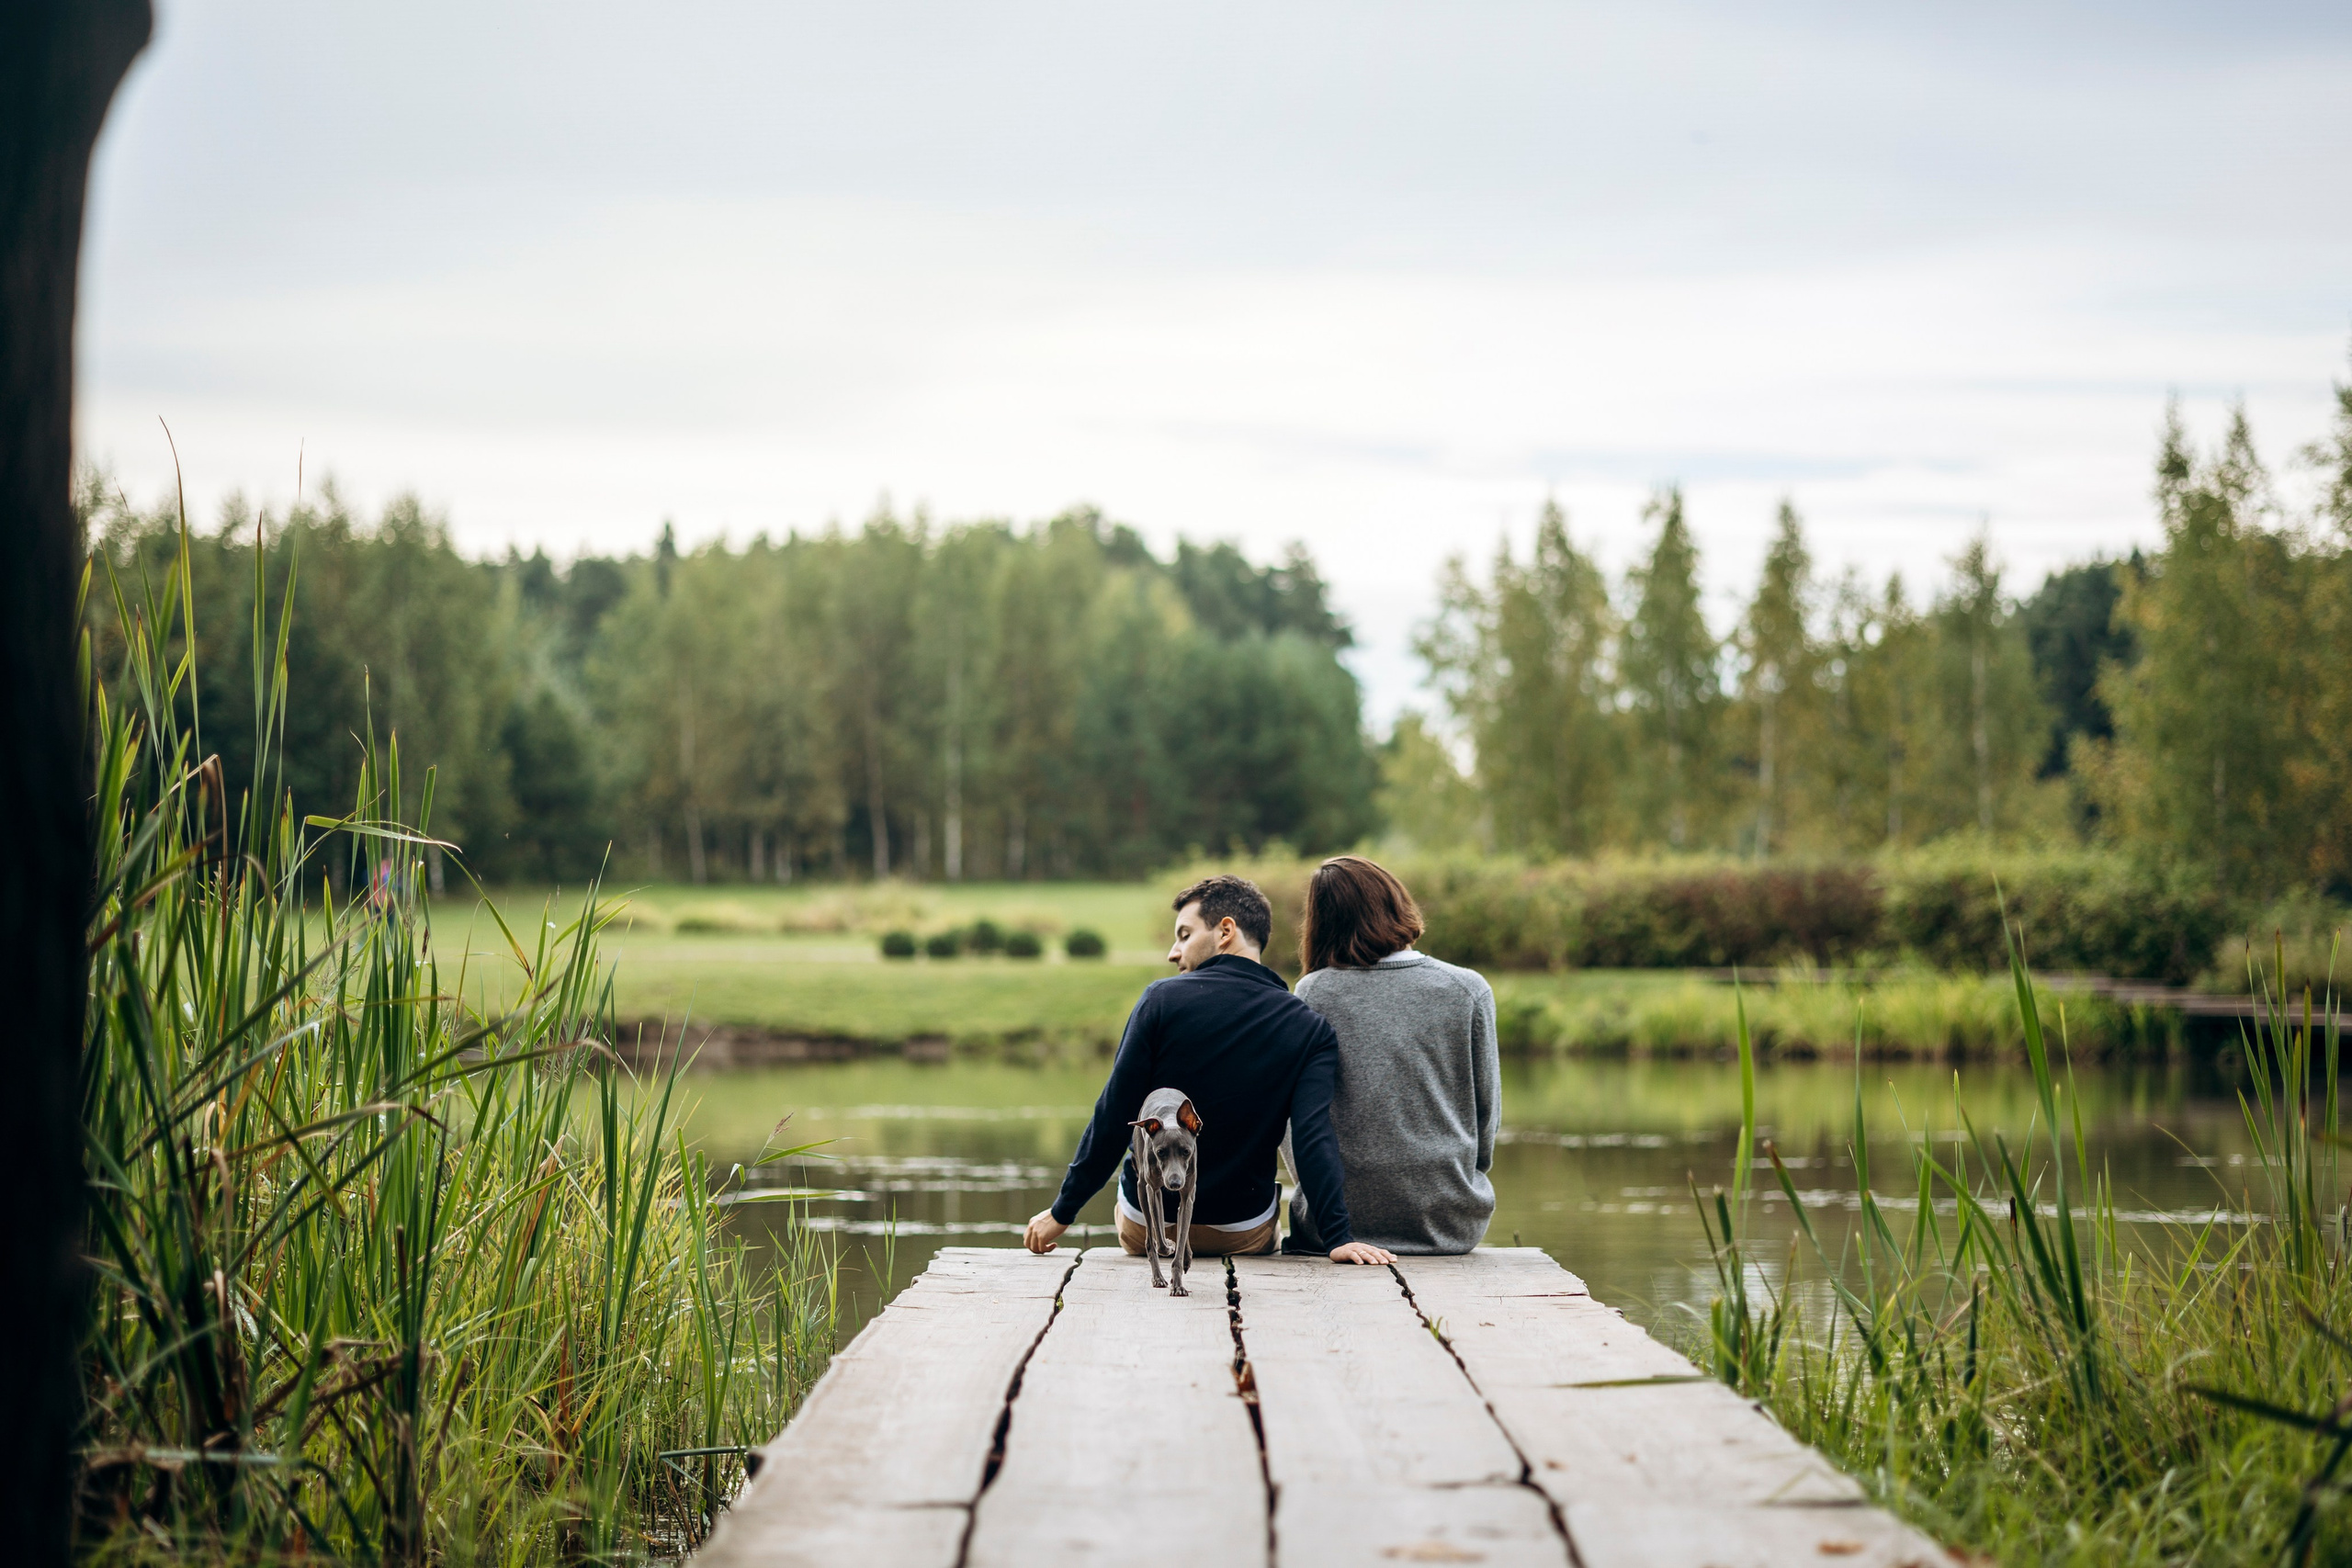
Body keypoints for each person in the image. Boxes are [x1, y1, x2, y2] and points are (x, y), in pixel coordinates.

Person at [1023, 874, 1396, 1267]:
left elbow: (1115, 1114)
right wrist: (1337, 1237)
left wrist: (1062, 1212)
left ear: (1225, 931)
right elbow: (1312, 1137)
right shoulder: (1310, 1027)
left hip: (1148, 1227)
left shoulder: (1160, 1001)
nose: (1173, 951)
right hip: (1243, 1231)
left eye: (1184, 935)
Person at [1285, 855, 1498, 1255]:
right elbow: (1486, 1115)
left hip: (1338, 1224)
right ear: (1397, 902)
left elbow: (1297, 1122)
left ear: (1322, 922)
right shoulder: (1467, 989)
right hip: (1450, 1220)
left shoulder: (1314, 992)